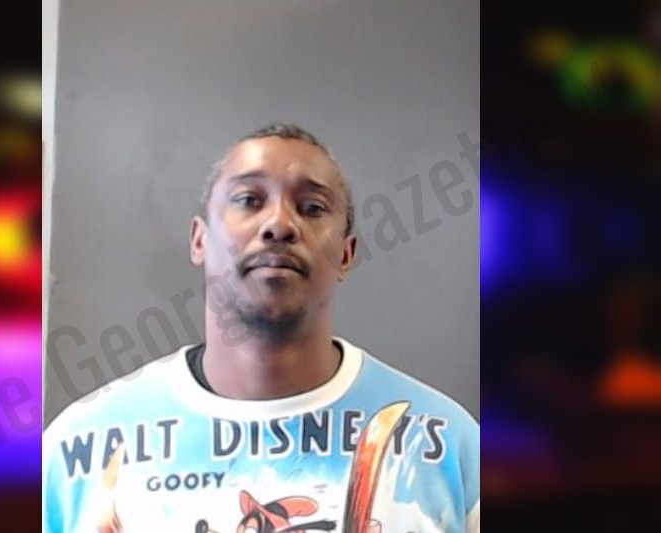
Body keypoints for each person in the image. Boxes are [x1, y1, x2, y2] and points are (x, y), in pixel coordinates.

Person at [42, 123, 480, 533]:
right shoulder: (77, 451)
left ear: (346, 255)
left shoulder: (448, 446)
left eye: (312, 208)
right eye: (249, 200)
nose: (280, 224)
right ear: (199, 240)